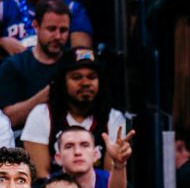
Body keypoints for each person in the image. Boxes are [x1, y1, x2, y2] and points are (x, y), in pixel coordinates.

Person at [22, 47, 127, 179]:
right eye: (77, 77)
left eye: (91, 77)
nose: (85, 83)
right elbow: (40, 177)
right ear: (62, 82)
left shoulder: (113, 118)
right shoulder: (41, 114)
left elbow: (110, 181)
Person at [0, 0, 70, 130]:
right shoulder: (14, 66)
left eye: (63, 30)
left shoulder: (74, 63)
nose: (58, 36)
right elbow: (8, 120)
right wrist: (46, 95)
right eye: (51, 29)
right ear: (36, 26)